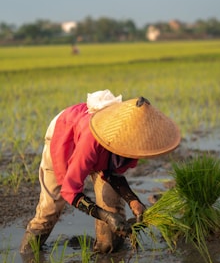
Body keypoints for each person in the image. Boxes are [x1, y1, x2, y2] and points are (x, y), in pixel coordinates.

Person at [20, 90, 180, 254]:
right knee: (49, 210)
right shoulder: (90, 142)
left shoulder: (133, 142)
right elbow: (70, 191)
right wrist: (105, 216)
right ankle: (28, 257)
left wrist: (134, 201)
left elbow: (112, 173)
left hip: (100, 149)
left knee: (113, 216)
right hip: (65, 136)